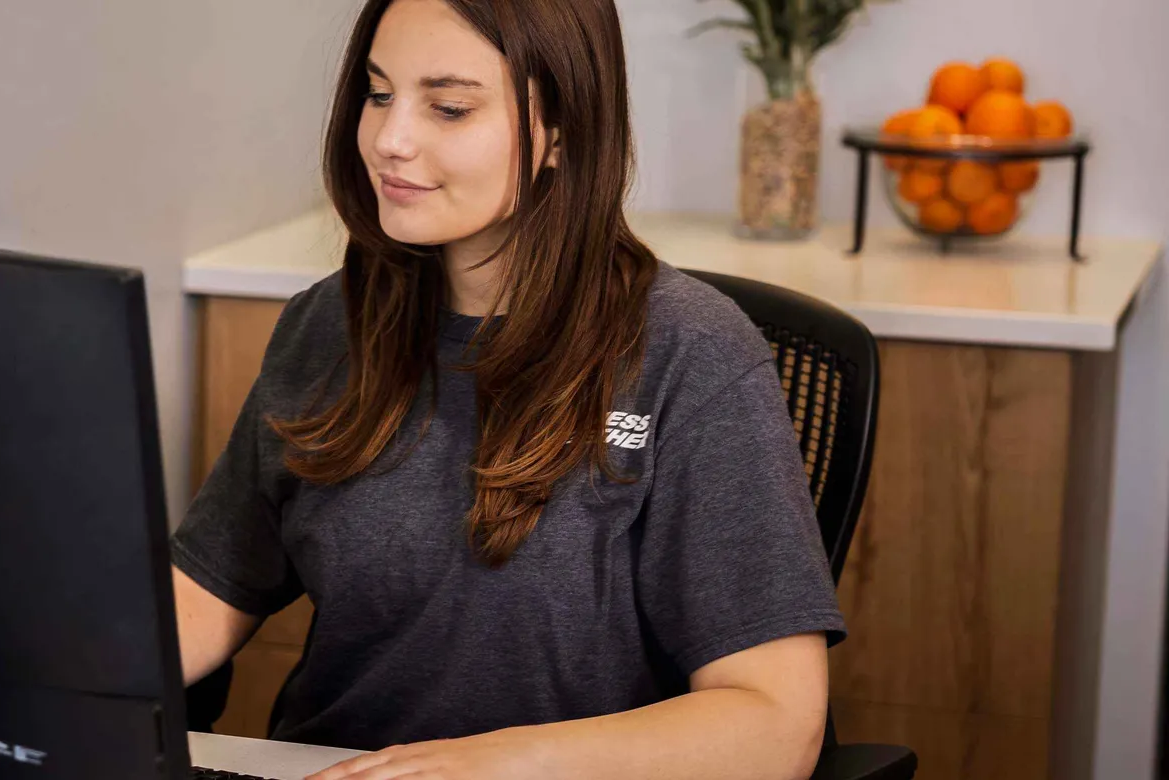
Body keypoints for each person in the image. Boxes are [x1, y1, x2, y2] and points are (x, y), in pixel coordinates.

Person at [170, 1, 845, 778]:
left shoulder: (692, 354)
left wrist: (488, 765)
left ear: (561, 130)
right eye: (379, 94)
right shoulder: (329, 324)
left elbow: (775, 723)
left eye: (449, 108)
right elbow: (207, 590)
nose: (388, 138)